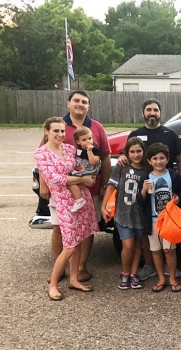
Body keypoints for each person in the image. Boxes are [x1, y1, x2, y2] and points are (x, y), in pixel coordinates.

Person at [38, 90, 111, 283]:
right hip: (61, 190)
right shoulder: (58, 125)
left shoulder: (97, 127)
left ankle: (80, 268)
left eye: (84, 102)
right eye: (76, 101)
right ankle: (60, 268)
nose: (80, 104)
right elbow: (43, 157)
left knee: (86, 230)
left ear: (89, 106)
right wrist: (43, 185)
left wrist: (105, 183)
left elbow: (105, 157)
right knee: (58, 228)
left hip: (88, 189)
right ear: (69, 103)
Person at [119, 98, 181, 282]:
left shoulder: (170, 133)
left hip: (167, 185)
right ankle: (149, 265)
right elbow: (129, 154)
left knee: (170, 229)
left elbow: (180, 160)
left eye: (155, 110)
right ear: (143, 113)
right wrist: (122, 158)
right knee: (148, 231)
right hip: (144, 186)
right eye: (148, 110)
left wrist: (180, 184)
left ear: (160, 113)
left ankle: (169, 266)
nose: (152, 113)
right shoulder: (136, 133)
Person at [34, 117, 99, 300]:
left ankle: (74, 279)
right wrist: (81, 180)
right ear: (46, 131)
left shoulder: (70, 149)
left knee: (78, 240)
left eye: (62, 131)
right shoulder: (41, 154)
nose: (60, 134)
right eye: (56, 131)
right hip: (64, 202)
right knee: (69, 245)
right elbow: (55, 179)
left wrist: (88, 173)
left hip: (81, 198)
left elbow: (83, 166)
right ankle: (53, 284)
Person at [101, 137, 148, 290]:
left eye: (139, 151)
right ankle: (125, 273)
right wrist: (104, 206)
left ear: (143, 151)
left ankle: (134, 274)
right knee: (127, 245)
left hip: (140, 213)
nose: (136, 155)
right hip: (123, 213)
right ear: (126, 152)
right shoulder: (121, 167)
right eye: (132, 151)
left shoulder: (147, 169)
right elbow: (111, 186)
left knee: (137, 245)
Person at [142, 144, 181, 293]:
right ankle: (161, 278)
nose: (158, 161)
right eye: (154, 158)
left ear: (167, 159)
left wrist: (178, 198)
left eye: (162, 158)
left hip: (169, 220)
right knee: (155, 250)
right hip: (153, 220)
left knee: (169, 250)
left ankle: (172, 277)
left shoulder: (173, 176)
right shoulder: (146, 177)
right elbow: (140, 202)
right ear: (149, 161)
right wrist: (143, 190)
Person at [69, 127, 101, 213]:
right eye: (84, 139)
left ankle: (79, 200)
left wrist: (89, 151)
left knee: (70, 182)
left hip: (89, 171)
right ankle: (79, 199)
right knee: (70, 182)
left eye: (90, 138)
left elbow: (94, 162)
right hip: (82, 170)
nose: (88, 141)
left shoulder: (95, 150)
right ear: (78, 142)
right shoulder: (79, 150)